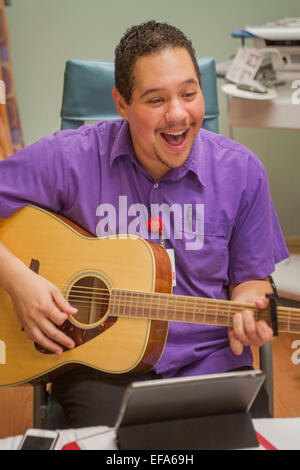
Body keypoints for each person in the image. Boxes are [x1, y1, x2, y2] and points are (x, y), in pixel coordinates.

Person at [0, 21, 289, 427]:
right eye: (156, 100)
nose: (178, 114)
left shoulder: (244, 173)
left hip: (210, 367)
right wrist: (17, 281)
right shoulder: (71, 159)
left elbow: (252, 282)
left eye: (189, 94)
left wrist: (249, 305)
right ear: (121, 103)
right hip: (100, 371)